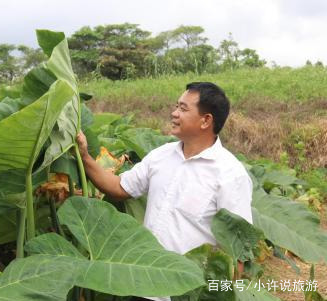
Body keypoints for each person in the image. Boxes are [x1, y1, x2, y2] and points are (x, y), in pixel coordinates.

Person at [76, 82, 253, 301]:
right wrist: (84, 156)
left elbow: (237, 253)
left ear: (206, 120)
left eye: (183, 108)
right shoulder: (161, 156)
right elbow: (120, 187)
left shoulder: (230, 174)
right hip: (143, 285)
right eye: (176, 106)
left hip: (187, 294)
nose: (174, 113)